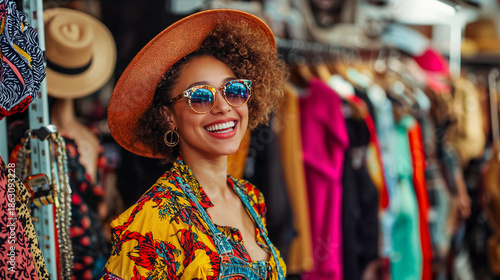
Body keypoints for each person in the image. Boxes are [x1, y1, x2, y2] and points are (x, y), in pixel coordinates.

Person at [102, 8, 288, 279]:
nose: (224, 107)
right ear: (168, 117)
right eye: (200, 97)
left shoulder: (250, 198)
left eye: (234, 90)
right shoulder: (153, 220)